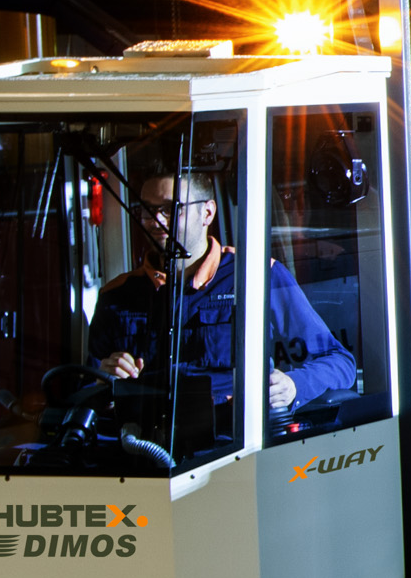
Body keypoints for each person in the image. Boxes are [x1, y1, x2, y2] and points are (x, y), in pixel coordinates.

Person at [90, 168, 358, 417]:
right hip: (142, 445)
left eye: (171, 209)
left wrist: (293, 385)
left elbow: (340, 362)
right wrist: (103, 376)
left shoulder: (258, 276)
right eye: (148, 210)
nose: (156, 220)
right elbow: (84, 385)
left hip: (231, 444)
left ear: (207, 213)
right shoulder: (116, 295)